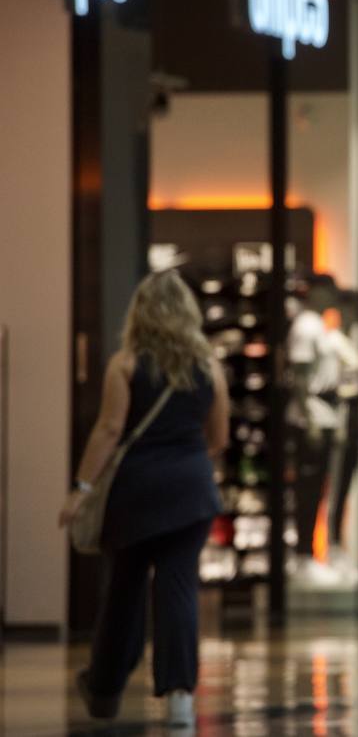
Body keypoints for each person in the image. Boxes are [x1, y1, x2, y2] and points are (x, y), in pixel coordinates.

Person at [58, 270, 229, 728]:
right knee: (178, 590)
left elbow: (110, 430)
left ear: (140, 313)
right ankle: (178, 697)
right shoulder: (210, 367)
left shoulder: (126, 364)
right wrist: (186, 460)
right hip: (192, 493)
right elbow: (219, 436)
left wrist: (81, 490)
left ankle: (104, 689)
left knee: (124, 592)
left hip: (135, 493)